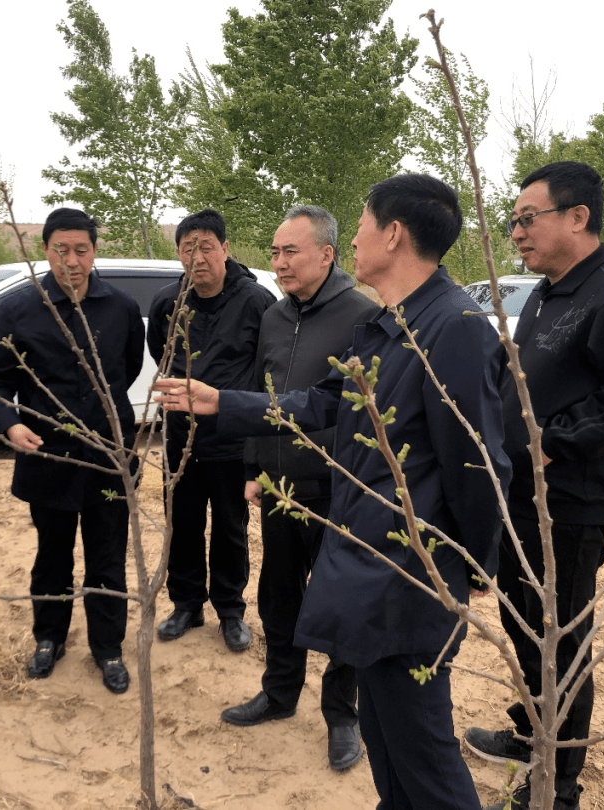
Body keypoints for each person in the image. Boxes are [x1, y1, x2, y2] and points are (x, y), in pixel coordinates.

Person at [156, 175, 511, 808]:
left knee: (423, 747)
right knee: (385, 732)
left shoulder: (453, 326)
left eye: (364, 224)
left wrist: (473, 562)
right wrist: (225, 403)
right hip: (368, 565)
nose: (355, 239)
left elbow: (479, 465)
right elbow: (325, 402)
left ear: (394, 233)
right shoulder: (390, 323)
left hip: (410, 575)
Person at [463, 161, 604, 810]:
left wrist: (550, 442)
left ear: (577, 217)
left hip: (571, 507)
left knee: (561, 645)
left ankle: (554, 786)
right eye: (513, 222)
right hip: (521, 502)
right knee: (526, 629)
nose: (516, 233)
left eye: (527, 218)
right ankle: (532, 736)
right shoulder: (547, 293)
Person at [220, 206, 380, 771]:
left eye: (291, 252)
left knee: (341, 604)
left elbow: (365, 412)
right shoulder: (273, 315)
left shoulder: (365, 316)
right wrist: (251, 467)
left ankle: (342, 716)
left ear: (327, 254)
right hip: (278, 484)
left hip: (341, 491)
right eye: (275, 252)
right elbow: (263, 396)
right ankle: (279, 693)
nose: (280, 263)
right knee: (279, 596)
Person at [0, 207, 144, 695]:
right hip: (47, 455)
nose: (71, 261)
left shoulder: (119, 308)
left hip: (107, 456)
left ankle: (108, 648)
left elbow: (127, 369)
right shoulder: (18, 309)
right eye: (60, 249)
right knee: (51, 556)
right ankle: (48, 638)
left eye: (82, 249)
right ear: (44, 250)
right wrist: (9, 426)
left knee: (107, 558)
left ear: (94, 251)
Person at [146, 208, 276, 652]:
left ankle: (230, 609)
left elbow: (266, 372)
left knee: (229, 527)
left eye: (206, 246)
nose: (197, 257)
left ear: (224, 248)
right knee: (181, 523)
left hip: (230, 439)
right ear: (179, 254)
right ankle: (186, 604)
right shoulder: (169, 303)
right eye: (188, 248)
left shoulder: (256, 301)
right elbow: (159, 353)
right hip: (178, 438)